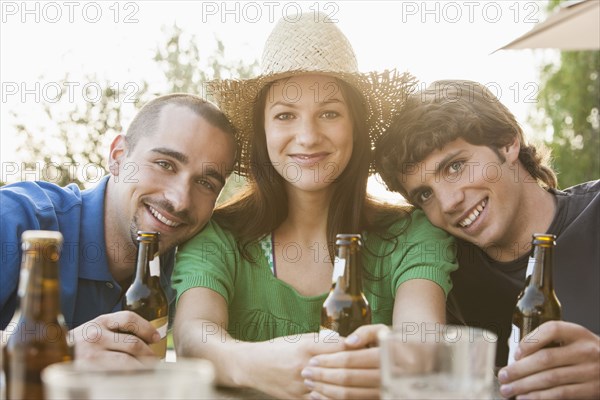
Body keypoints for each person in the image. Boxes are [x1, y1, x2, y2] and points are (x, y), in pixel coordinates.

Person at [172, 13, 458, 400]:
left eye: (329, 113)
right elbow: (193, 338)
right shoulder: (217, 237)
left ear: (355, 127)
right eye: (285, 115)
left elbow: (422, 341)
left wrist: (396, 360)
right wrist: (251, 363)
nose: (307, 136)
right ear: (263, 132)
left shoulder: (412, 235)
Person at [375, 79, 600, 399]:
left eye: (455, 166)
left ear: (508, 142)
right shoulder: (440, 275)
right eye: (425, 194)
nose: (449, 202)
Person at [0, 93, 237, 361]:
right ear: (118, 157)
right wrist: (59, 350)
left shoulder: (186, 269)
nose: (179, 200)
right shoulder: (20, 218)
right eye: (164, 164)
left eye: (206, 184)